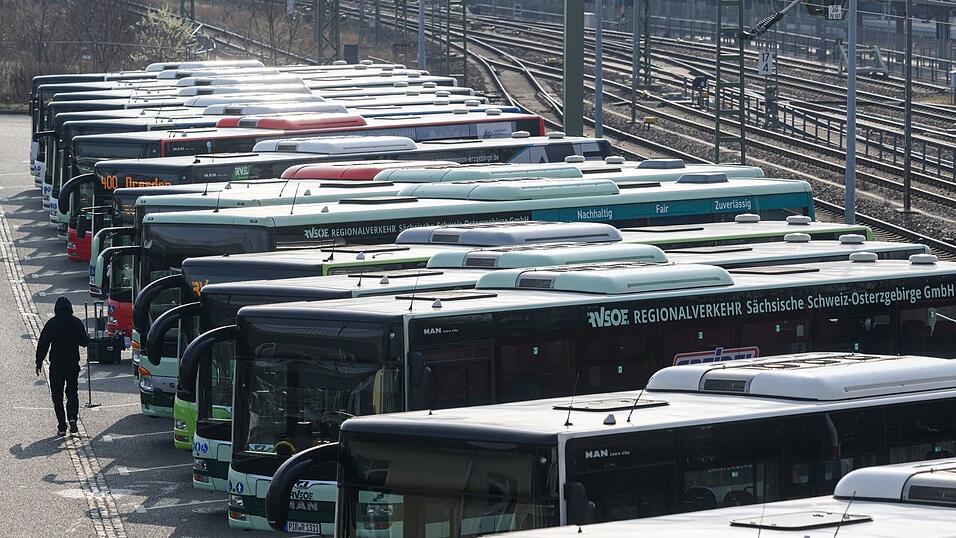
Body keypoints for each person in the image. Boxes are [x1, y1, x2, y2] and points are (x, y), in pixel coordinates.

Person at [36, 297, 88, 436]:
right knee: (72, 392)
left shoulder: (52, 323)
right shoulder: (76, 322)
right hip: (72, 363)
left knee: (57, 395)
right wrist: (86, 337)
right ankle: (72, 418)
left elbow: (43, 343)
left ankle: (62, 425)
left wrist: (39, 361)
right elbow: (84, 342)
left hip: (57, 365)